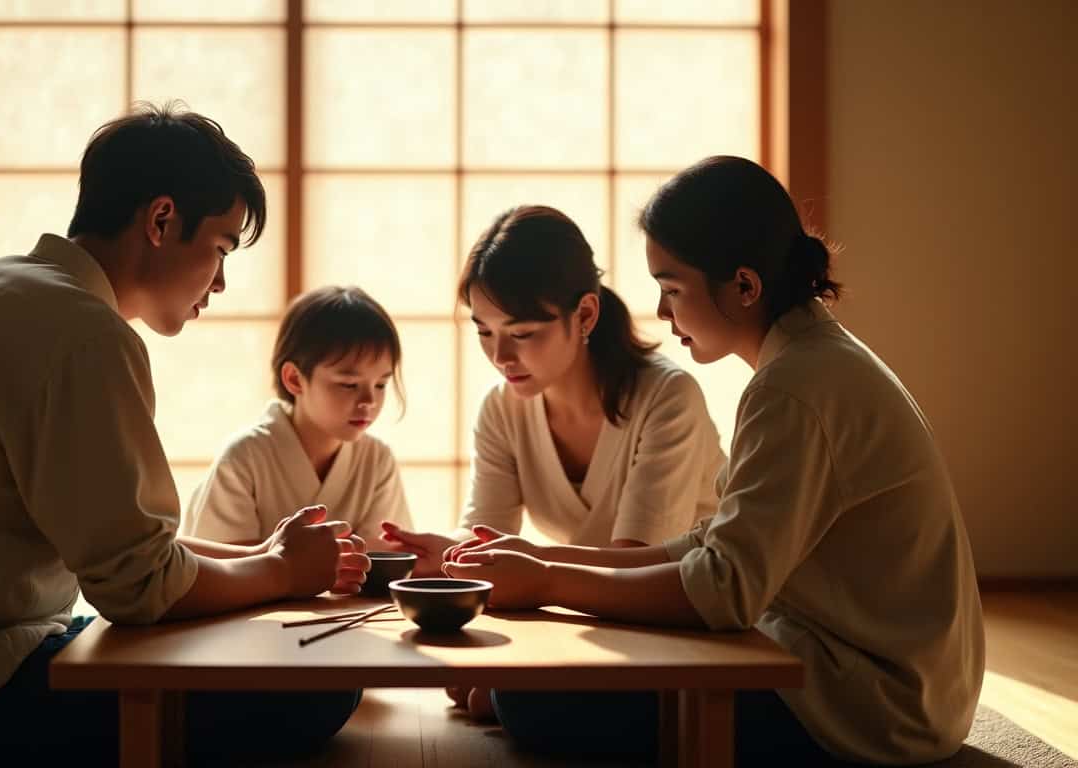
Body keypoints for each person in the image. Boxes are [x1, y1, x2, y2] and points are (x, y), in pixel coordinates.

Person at [0, 102, 370, 767]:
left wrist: (262, 555)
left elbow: (113, 539)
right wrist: (278, 569)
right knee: (320, 683)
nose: (220, 282)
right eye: (218, 249)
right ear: (160, 220)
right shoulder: (81, 334)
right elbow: (139, 587)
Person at [442, 157, 985, 765]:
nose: (662, 312)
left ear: (745, 287)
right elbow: (709, 544)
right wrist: (546, 557)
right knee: (538, 690)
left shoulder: (796, 387)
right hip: (854, 660)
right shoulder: (807, 365)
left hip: (874, 697)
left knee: (535, 701)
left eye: (672, 289)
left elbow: (722, 590)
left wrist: (547, 580)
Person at [382, 204, 724, 718]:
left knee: (518, 710)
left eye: (521, 334)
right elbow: (488, 544)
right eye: (483, 331)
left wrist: (529, 576)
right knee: (485, 699)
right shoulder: (503, 408)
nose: (500, 356)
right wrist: (454, 559)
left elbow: (634, 567)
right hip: (596, 618)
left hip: (684, 626)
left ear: (585, 315)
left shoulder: (667, 397)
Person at [185, 285, 413, 543]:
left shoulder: (376, 460)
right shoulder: (245, 457)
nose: (369, 401)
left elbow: (383, 560)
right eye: (349, 384)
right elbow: (220, 564)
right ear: (294, 379)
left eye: (381, 384)